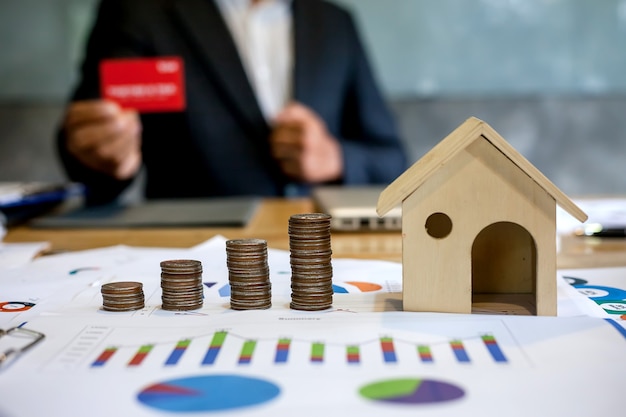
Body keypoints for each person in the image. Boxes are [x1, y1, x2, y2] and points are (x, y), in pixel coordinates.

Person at [57, 0, 407, 205]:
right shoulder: (139, 11)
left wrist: (335, 159)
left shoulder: (334, 22)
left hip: (317, 249)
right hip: (188, 254)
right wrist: (100, 153)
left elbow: (394, 162)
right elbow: (88, 137)